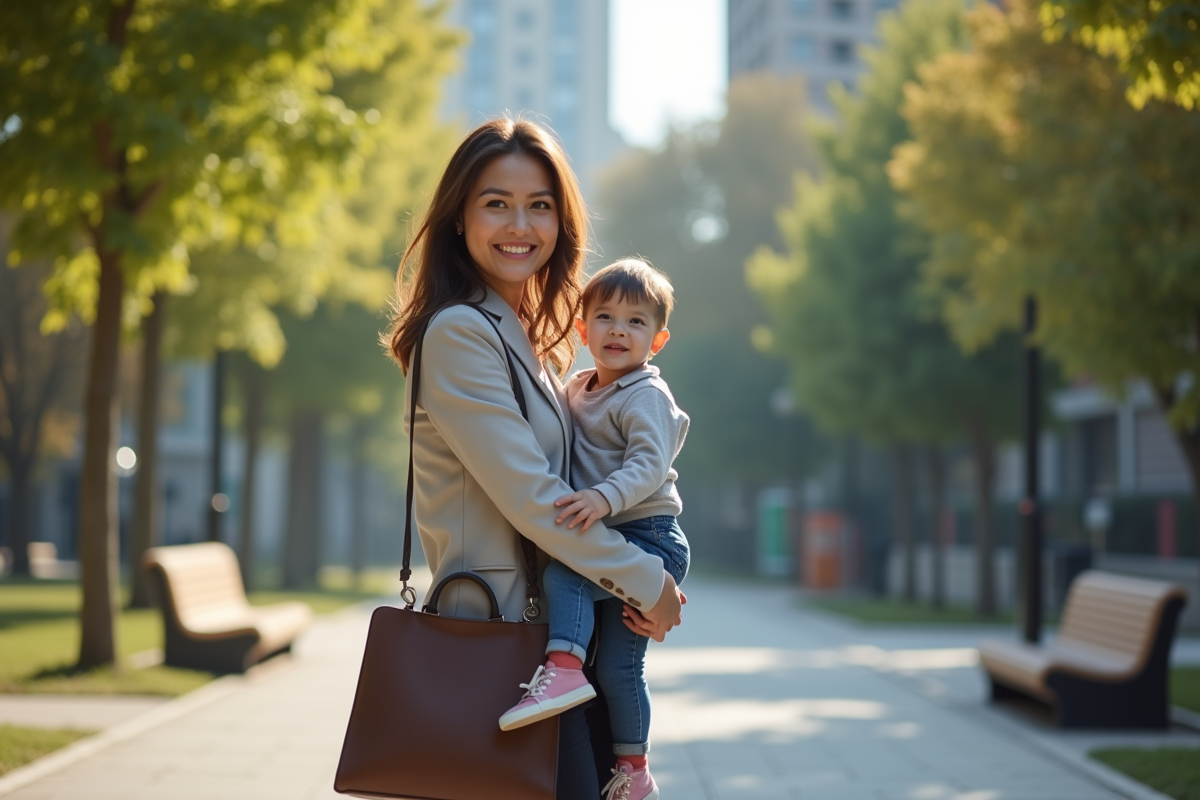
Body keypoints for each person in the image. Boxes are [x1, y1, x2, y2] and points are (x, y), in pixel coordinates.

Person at [383, 118, 686, 798]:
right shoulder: (462, 331)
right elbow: (533, 499)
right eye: (496, 202)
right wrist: (648, 583)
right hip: (496, 640)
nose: (520, 223)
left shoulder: (527, 340)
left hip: (548, 642)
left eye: (539, 205)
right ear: (459, 218)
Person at [498, 259, 690, 800]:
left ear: (659, 339)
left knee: (571, 573)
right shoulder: (580, 386)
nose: (618, 331)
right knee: (618, 665)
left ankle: (562, 668)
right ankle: (633, 771)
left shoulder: (646, 394)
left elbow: (649, 465)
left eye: (635, 322)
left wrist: (602, 498)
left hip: (648, 532)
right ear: (583, 329)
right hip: (618, 529)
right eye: (604, 317)